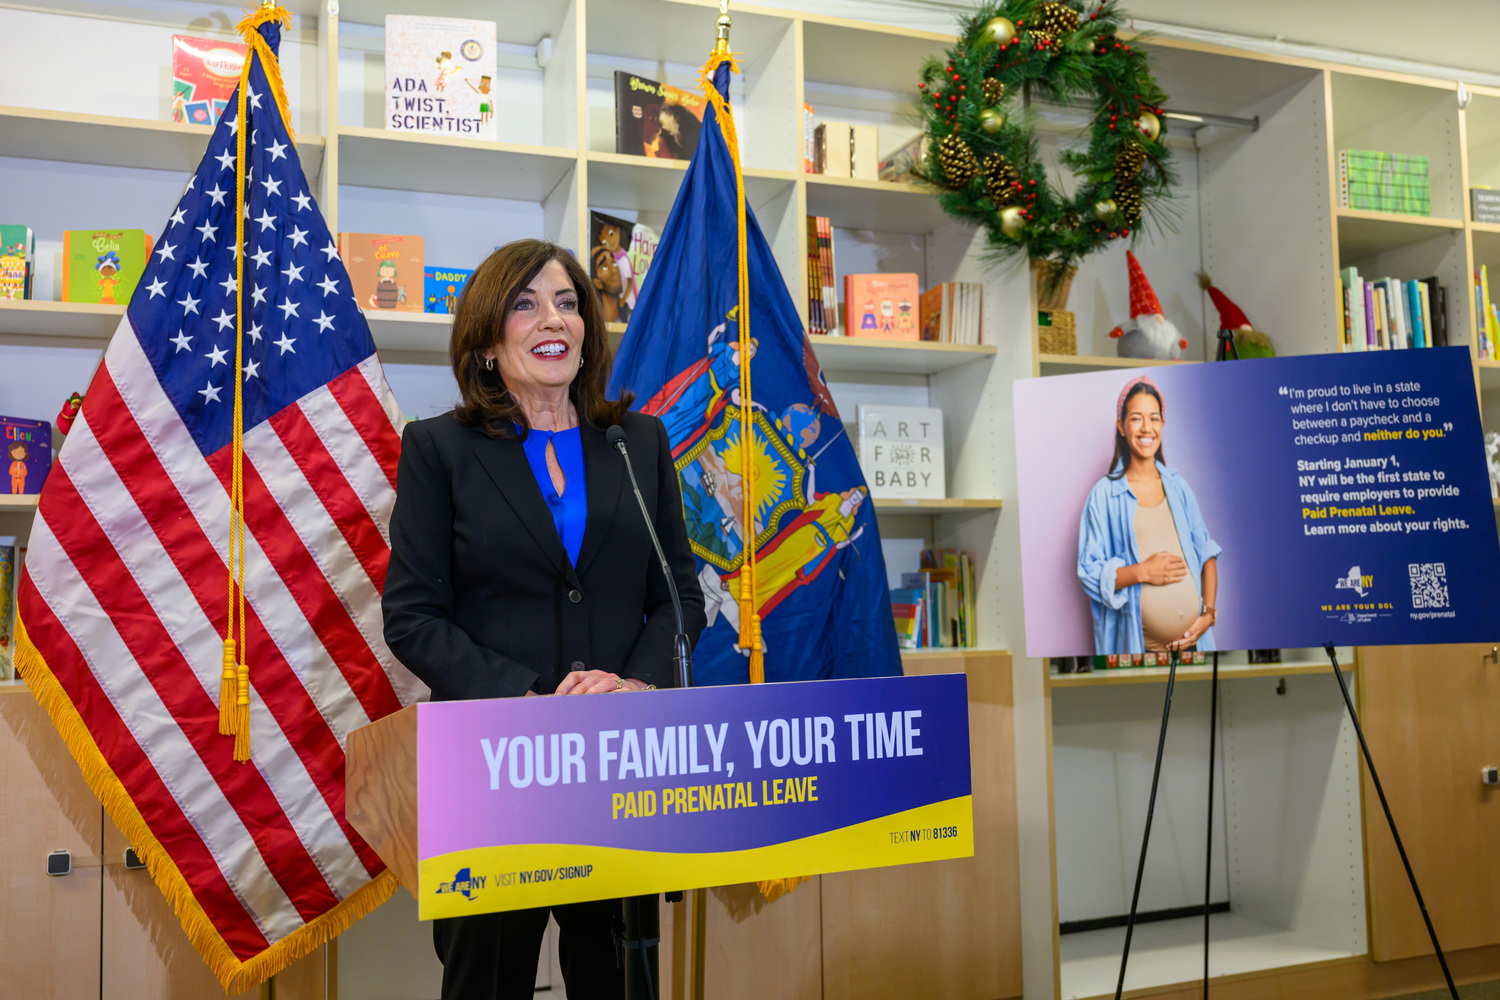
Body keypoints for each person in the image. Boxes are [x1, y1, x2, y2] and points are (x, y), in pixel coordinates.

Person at [382, 238, 707, 1000]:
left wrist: (634, 682)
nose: (550, 318)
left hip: (620, 765)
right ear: (489, 342)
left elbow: (679, 595)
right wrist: (528, 698)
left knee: (619, 977)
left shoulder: (639, 442)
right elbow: (413, 616)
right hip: (495, 765)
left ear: (588, 330)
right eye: (524, 304)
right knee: (488, 982)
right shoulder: (440, 449)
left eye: (565, 302)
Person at [1077, 376, 1220, 655]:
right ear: (1121, 426)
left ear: (1162, 425)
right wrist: (1143, 572)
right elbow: (1089, 572)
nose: (1146, 428)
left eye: (1154, 418)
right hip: (1139, 651)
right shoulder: (1104, 495)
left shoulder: (1179, 487)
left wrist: (1208, 615)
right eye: (1136, 418)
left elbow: (1207, 552)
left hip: (1195, 648)